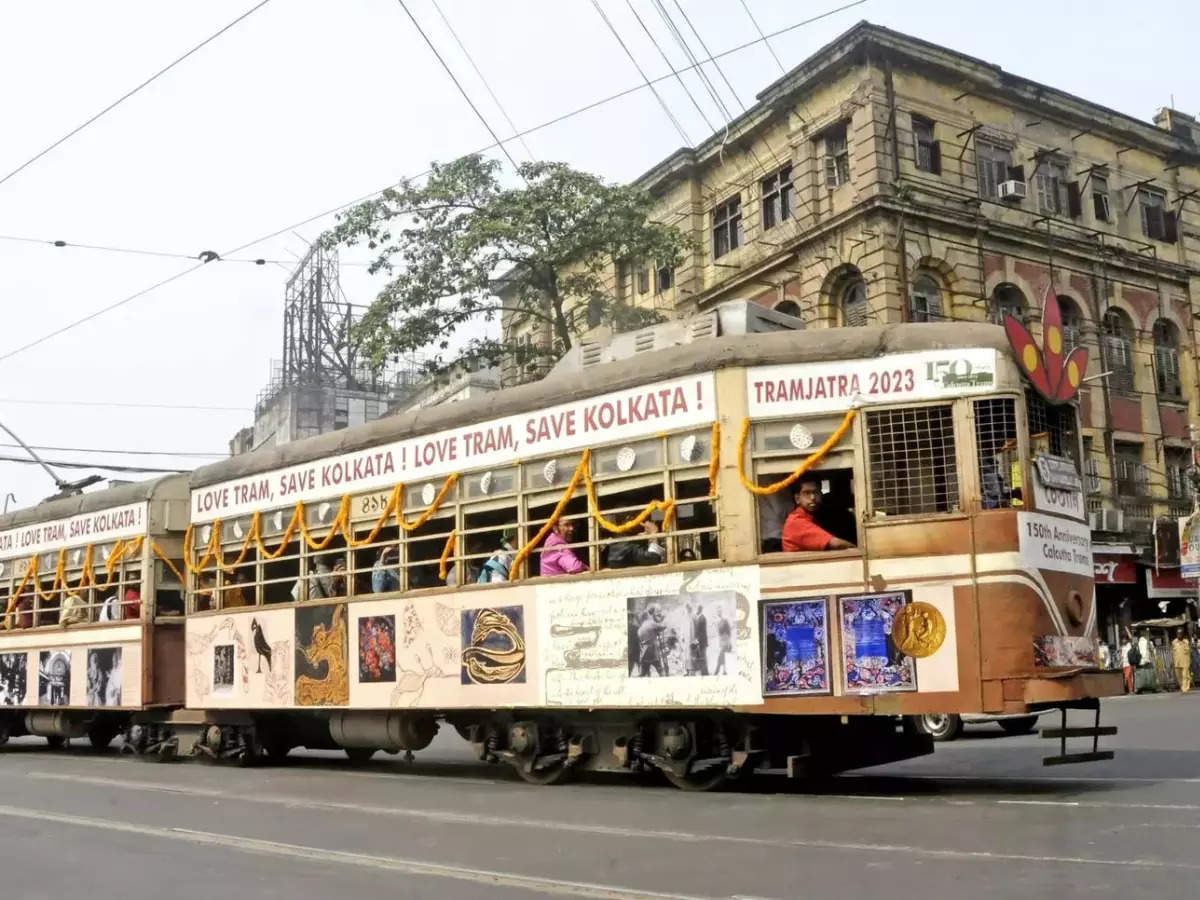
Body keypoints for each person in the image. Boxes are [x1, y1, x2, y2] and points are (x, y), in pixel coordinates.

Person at [782, 477, 855, 552]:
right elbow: (837, 544)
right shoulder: (796, 522)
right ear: (797, 499)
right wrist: (857, 549)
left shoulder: (812, 516)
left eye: (816, 492)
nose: (813, 497)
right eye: (806, 493)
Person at [636, 606, 667, 676]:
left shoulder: (642, 626)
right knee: (660, 670)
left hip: (644, 652)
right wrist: (662, 620)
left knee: (643, 672)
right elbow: (663, 627)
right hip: (652, 651)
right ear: (652, 614)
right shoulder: (651, 623)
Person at [689, 603, 709, 675]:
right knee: (701, 657)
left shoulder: (702, 618)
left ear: (700, 609)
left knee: (703, 657)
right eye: (696, 608)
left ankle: (705, 673)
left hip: (702, 642)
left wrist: (697, 641)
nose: (696, 610)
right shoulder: (698, 618)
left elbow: (702, 633)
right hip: (700, 641)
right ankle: (703, 672)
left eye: (697, 609)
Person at [1172, 629, 1192, 693]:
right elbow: (1173, 652)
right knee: (1178, 676)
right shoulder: (1174, 642)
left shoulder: (1186, 642)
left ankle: (1185, 688)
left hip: (1185, 661)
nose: (1179, 635)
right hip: (1177, 662)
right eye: (1178, 634)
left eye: (1180, 634)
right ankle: (1183, 686)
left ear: (1183, 634)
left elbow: (1188, 651)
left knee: (1184, 675)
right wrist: (1172, 661)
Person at [713, 610, 732, 675]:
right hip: (721, 640)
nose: (718, 613)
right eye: (717, 612)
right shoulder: (717, 622)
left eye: (719, 612)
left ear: (721, 612)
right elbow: (718, 632)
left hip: (726, 640)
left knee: (720, 655)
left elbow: (729, 631)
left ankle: (716, 671)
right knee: (723, 656)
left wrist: (729, 642)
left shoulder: (725, 620)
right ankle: (724, 671)